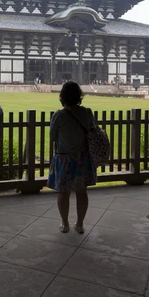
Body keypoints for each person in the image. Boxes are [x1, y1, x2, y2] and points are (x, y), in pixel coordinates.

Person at [47, 81, 97, 234]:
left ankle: (65, 223)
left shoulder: (59, 115)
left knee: (63, 192)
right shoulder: (87, 112)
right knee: (82, 192)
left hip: (64, 158)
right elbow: (92, 131)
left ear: (62, 97)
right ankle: (80, 224)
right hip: (83, 158)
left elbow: (52, 137)